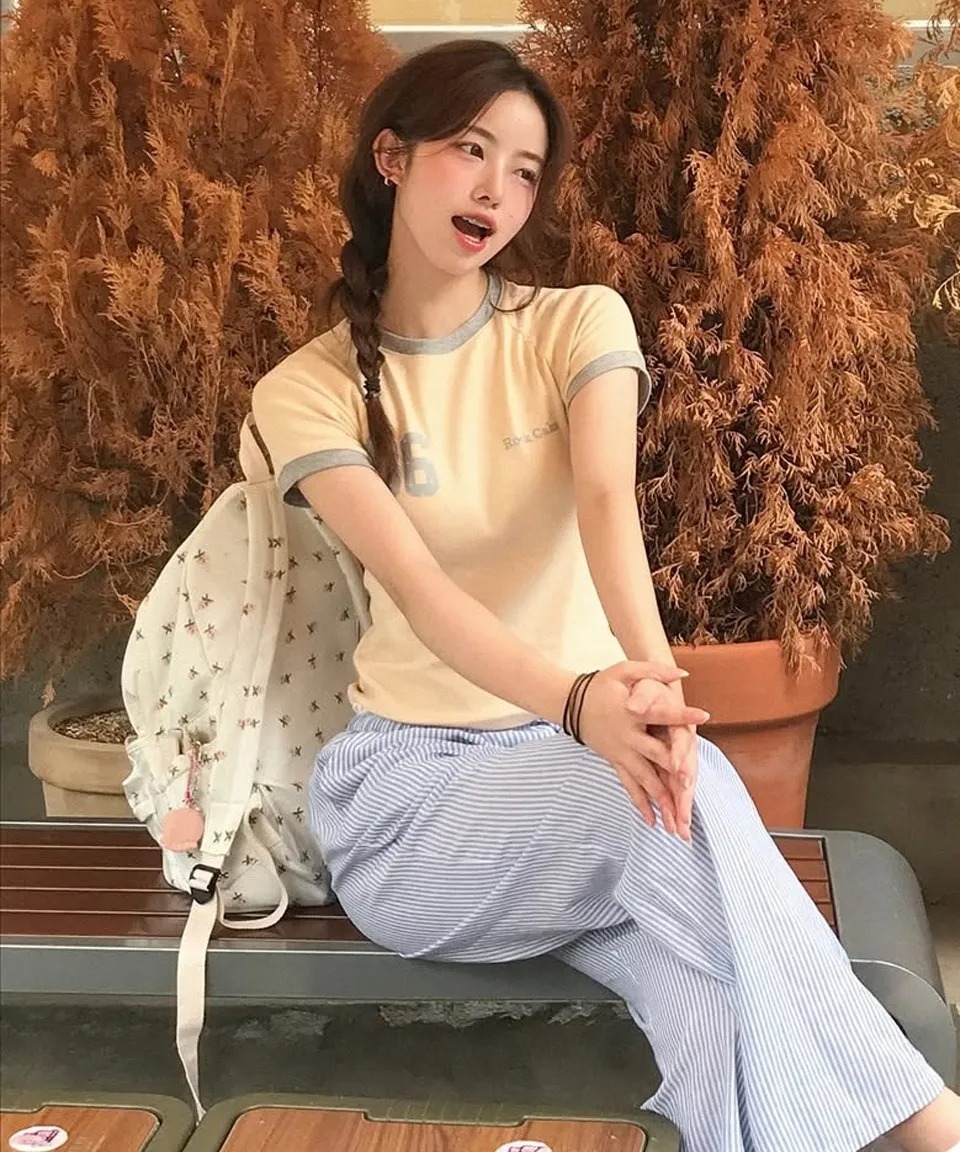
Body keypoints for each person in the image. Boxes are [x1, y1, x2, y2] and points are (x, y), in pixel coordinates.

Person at [252, 39, 960, 1152]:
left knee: (711, 988)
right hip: (416, 808)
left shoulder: (578, 321)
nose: (497, 189)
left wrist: (655, 692)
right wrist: (584, 705)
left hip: (581, 778)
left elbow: (603, 505)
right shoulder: (309, 389)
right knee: (674, 808)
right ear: (392, 157)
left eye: (525, 170)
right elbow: (423, 593)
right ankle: (931, 1122)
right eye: (470, 150)